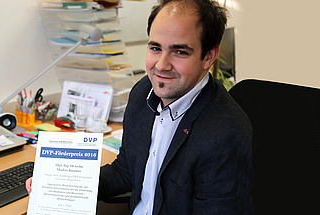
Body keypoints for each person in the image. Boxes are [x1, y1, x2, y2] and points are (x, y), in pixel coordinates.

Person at [27, 0, 253, 214]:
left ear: (208, 57)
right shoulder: (142, 93)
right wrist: (61, 184)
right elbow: (125, 171)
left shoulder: (224, 134)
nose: (161, 65)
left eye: (180, 52)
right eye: (155, 48)